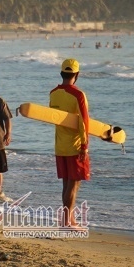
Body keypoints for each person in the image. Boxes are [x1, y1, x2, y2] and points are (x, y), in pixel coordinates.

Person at [50, 58, 89, 228]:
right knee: (73, 184)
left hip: (59, 145)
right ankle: (66, 222)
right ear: (77, 74)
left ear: (61, 73)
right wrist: (84, 147)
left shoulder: (53, 93)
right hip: (75, 145)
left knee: (66, 183)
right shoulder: (78, 94)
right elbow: (84, 122)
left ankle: (68, 219)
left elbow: (54, 116)